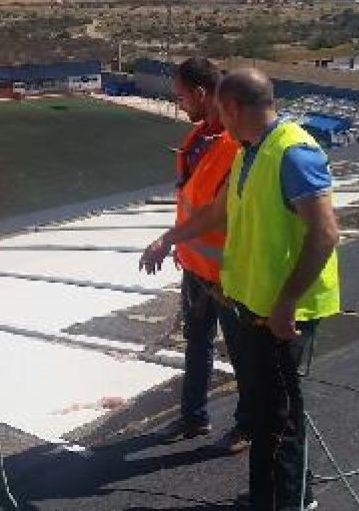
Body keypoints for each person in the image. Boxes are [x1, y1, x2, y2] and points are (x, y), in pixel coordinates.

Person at [140, 67, 341, 511]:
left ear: (230, 107)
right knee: (271, 412)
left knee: (278, 418)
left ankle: (283, 501)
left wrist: (287, 302)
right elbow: (217, 213)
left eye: (220, 111)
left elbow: (325, 233)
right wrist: (167, 239)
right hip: (255, 304)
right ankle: (278, 493)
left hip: (285, 311)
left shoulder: (293, 153)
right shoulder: (251, 151)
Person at [155, 58, 252, 455]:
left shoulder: (237, 145)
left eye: (180, 96)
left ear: (199, 93)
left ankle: (247, 424)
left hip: (227, 272)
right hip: (195, 266)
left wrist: (168, 240)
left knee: (243, 353)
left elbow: (222, 211)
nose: (179, 104)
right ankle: (193, 416)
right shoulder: (198, 139)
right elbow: (191, 202)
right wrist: (181, 246)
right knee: (196, 343)